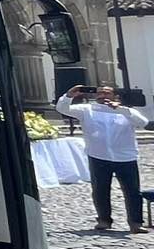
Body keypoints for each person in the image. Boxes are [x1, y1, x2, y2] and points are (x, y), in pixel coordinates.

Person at [56, 84, 148, 232]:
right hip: (98, 156)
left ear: (115, 96)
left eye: (107, 93)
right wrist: (69, 96)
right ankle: (104, 220)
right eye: (99, 93)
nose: (103, 96)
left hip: (125, 157)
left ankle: (136, 223)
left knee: (132, 191)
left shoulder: (126, 112)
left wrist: (120, 109)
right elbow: (62, 109)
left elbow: (142, 122)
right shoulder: (87, 110)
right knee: (100, 190)